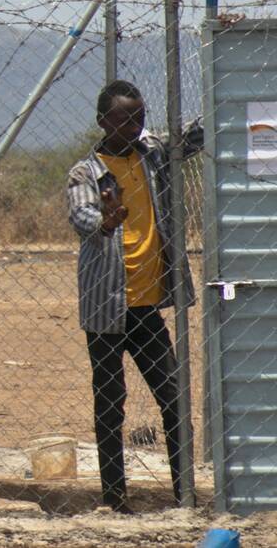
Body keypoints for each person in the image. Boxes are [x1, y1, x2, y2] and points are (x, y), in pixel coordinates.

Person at [65, 79, 200, 512]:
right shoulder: (86, 172)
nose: (135, 126)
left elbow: (192, 136)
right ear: (103, 121)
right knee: (110, 405)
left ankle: (184, 493)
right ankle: (116, 498)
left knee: (173, 398)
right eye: (125, 119)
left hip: (146, 306)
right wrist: (107, 219)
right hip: (106, 308)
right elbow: (83, 217)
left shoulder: (153, 154)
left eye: (140, 118)